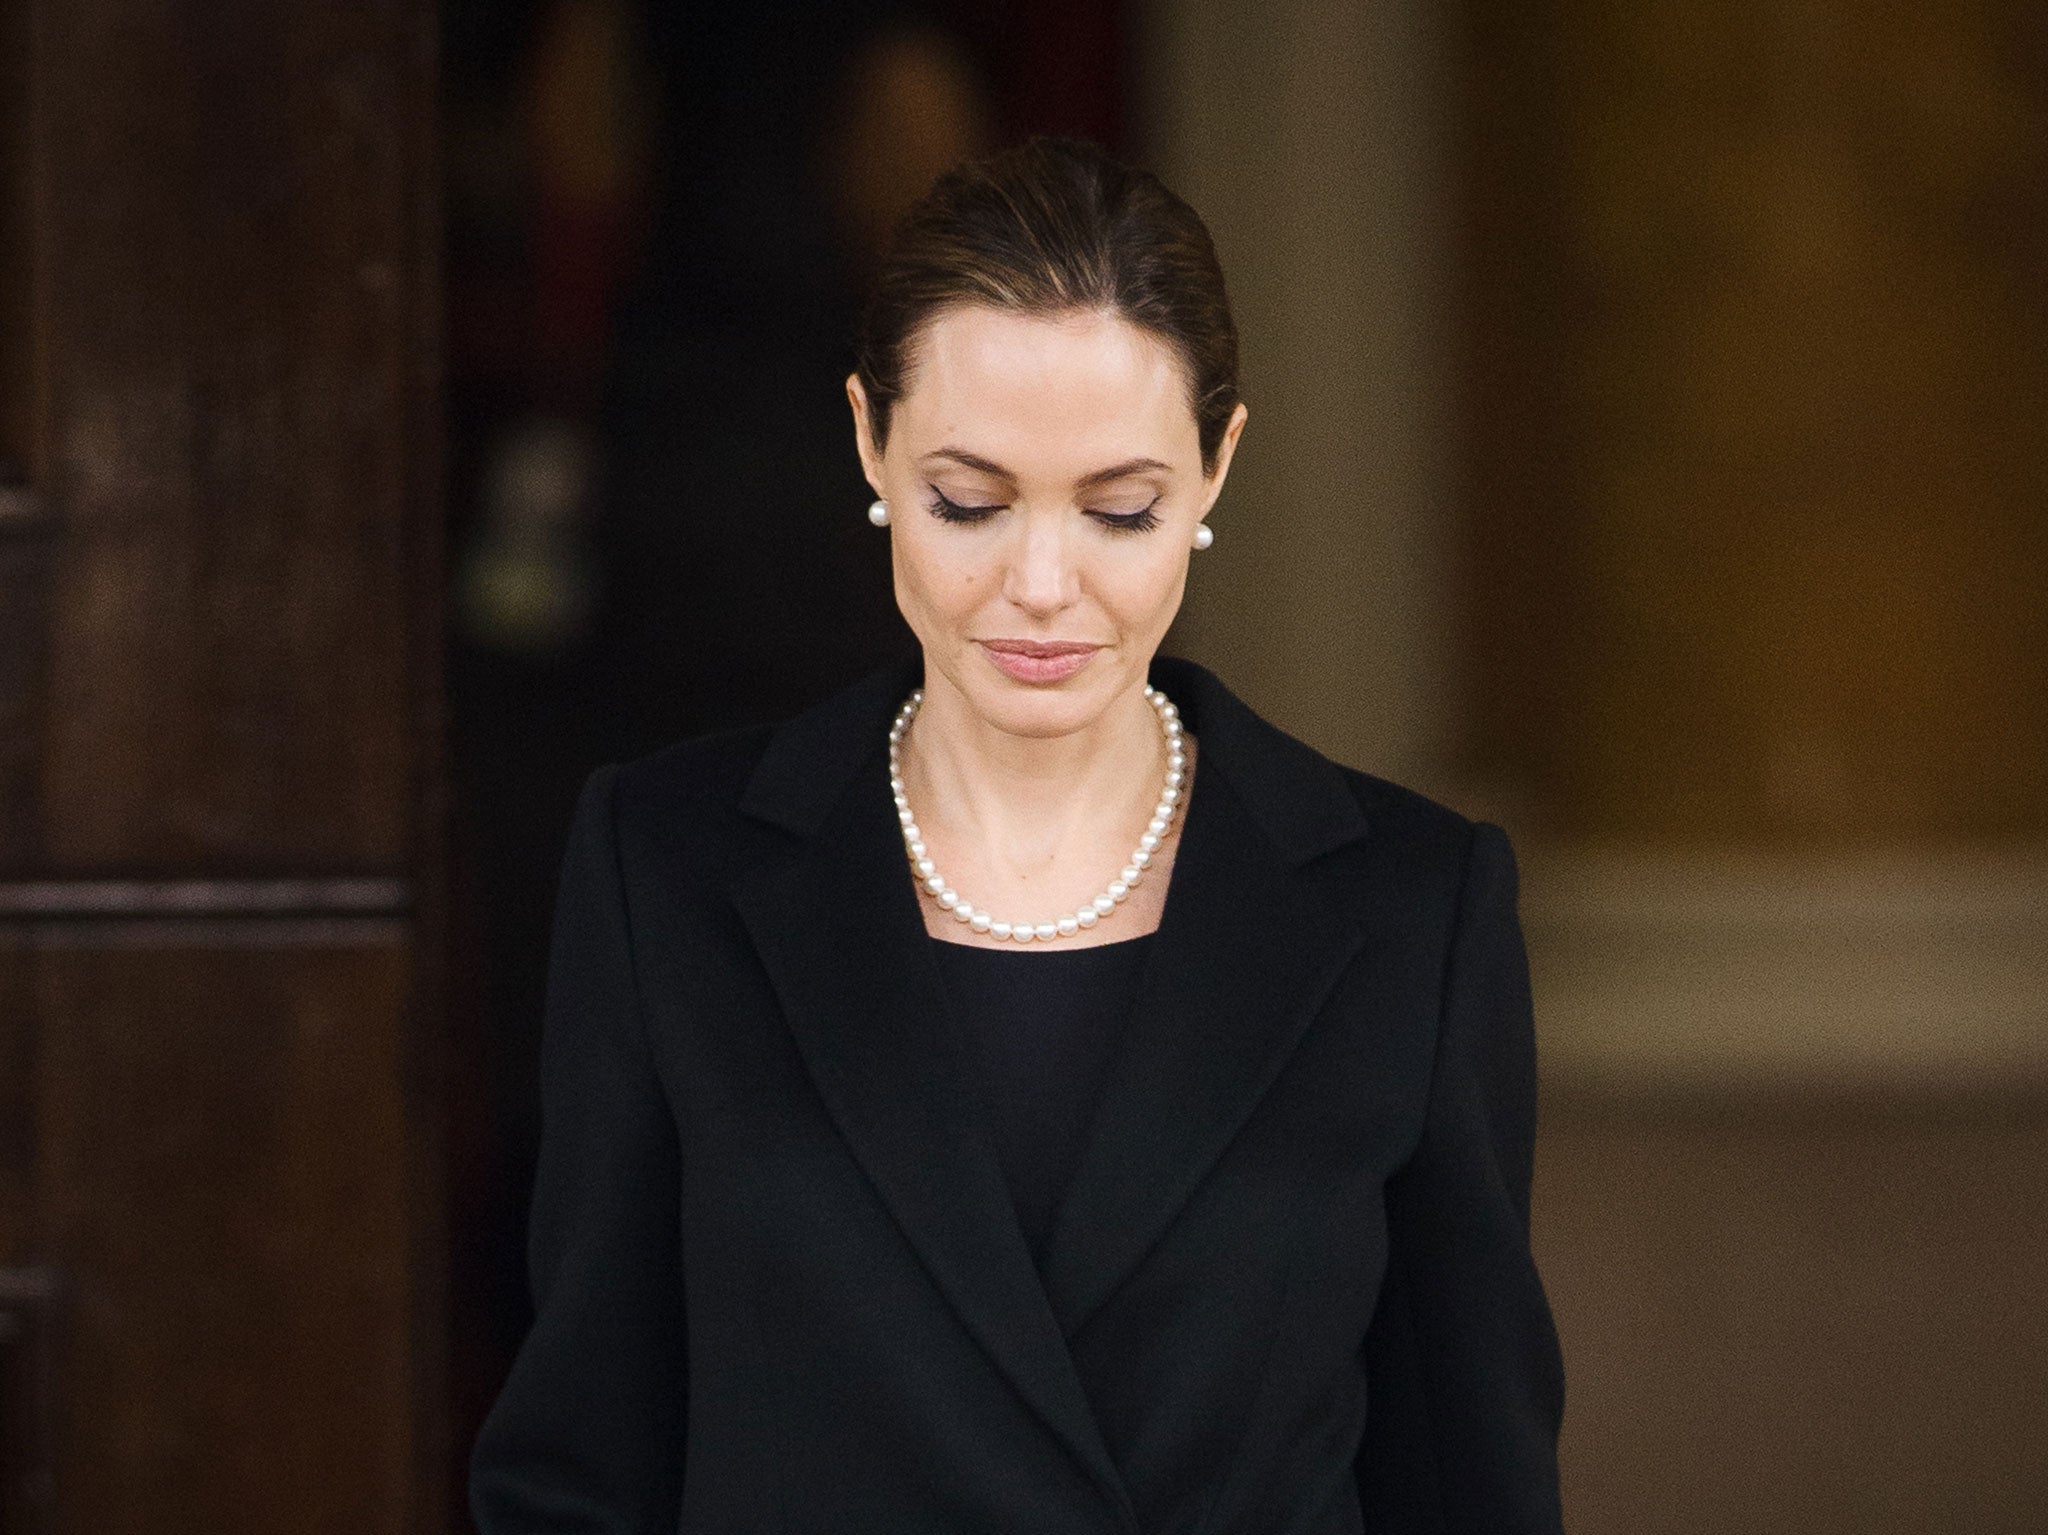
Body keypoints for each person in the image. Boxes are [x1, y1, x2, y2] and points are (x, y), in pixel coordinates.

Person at [469, 136, 1565, 1533]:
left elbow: (1472, 1485)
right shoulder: (666, 869)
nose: (1040, 586)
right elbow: (578, 1467)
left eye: (1121, 511)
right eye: (967, 503)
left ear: (1219, 465)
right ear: (870, 439)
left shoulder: (1415, 907)